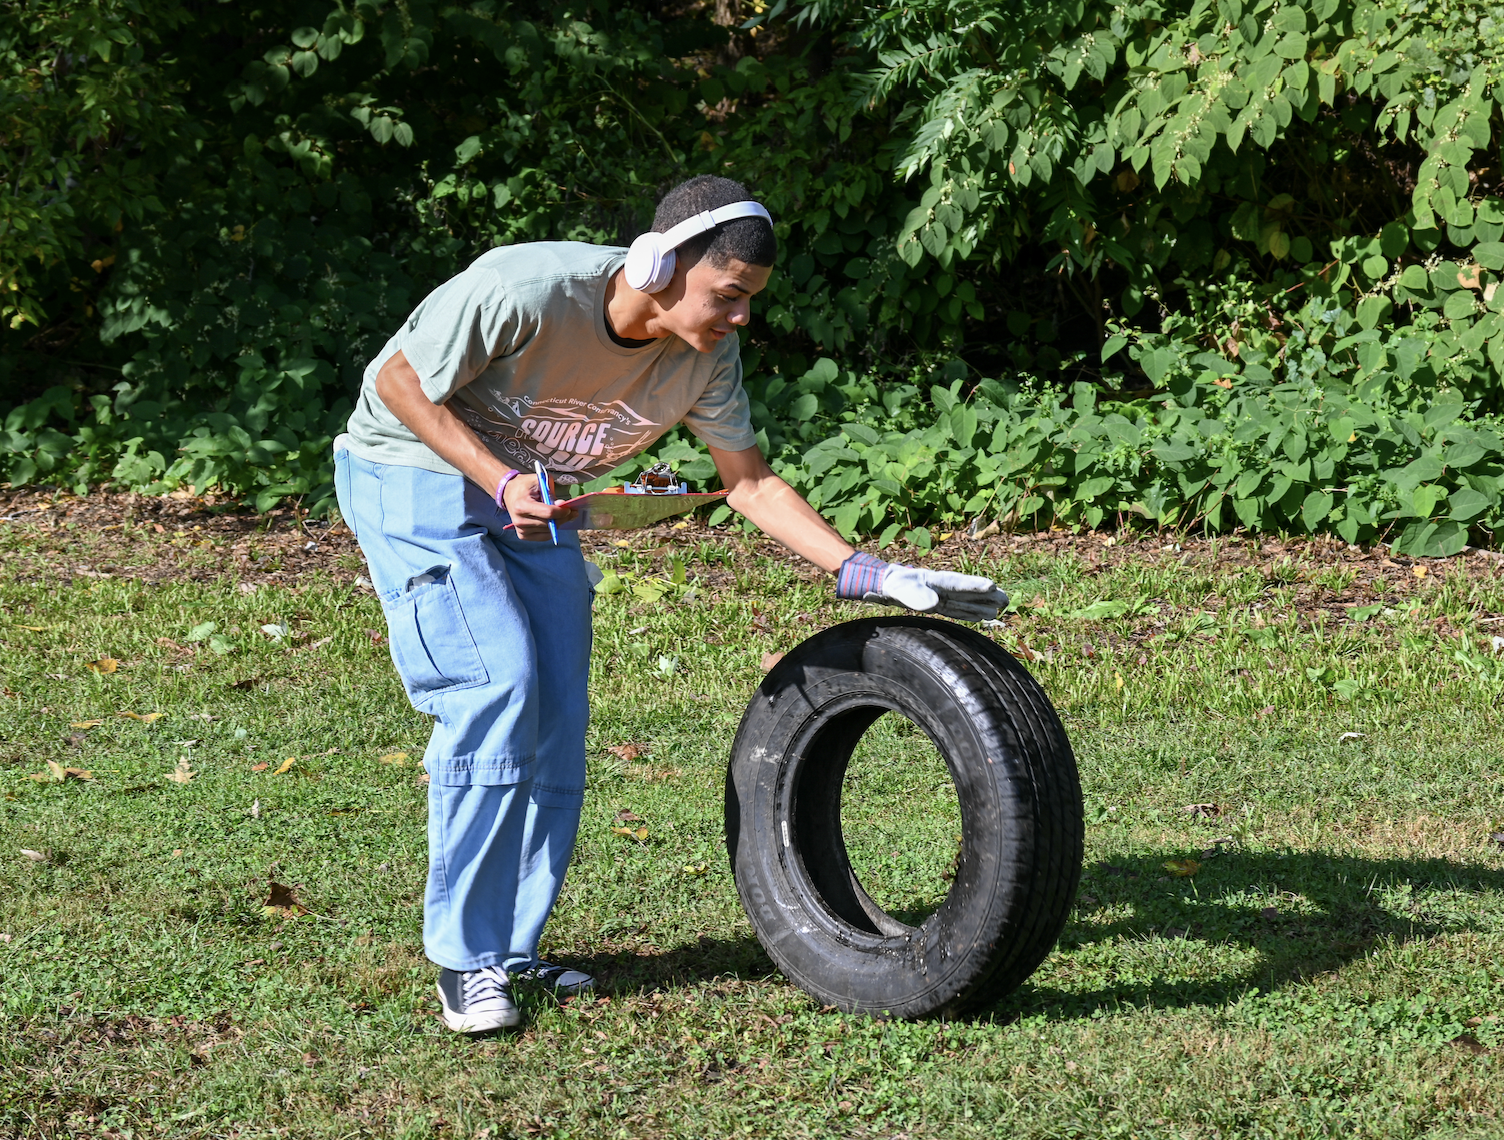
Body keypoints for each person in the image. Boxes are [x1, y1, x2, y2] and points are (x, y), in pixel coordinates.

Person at [332, 175, 1009, 1033]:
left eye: (751, 300)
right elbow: (396, 382)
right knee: (495, 687)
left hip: (535, 495)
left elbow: (749, 483)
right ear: (659, 265)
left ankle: (510, 950)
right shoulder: (526, 289)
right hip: (413, 470)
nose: (742, 317)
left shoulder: (705, 360)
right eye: (729, 294)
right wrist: (497, 477)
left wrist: (868, 572)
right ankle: (463, 960)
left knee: (555, 711)